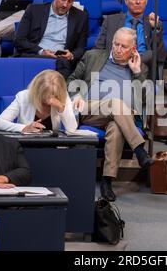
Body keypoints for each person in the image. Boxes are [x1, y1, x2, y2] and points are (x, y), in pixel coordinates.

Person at [67, 27, 154, 202]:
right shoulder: (93, 56)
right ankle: (139, 150)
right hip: (89, 110)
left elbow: (144, 100)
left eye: (123, 46)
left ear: (133, 49)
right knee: (116, 103)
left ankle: (107, 181)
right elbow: (70, 81)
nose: (118, 49)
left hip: (119, 118)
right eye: (116, 44)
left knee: (116, 127)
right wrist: (76, 96)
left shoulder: (140, 68)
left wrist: (137, 73)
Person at [14, 0, 89, 79]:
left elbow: (81, 48)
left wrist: (71, 55)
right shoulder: (34, 10)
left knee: (64, 64)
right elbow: (19, 40)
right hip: (36, 55)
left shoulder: (81, 17)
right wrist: (42, 51)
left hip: (60, 60)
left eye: (70, 1)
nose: (65, 5)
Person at [94, 0, 167, 68]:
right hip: (115, 68)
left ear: (146, 1)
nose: (138, 2)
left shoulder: (153, 24)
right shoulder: (110, 21)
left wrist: (156, 29)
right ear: (126, 1)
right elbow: (98, 51)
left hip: (142, 69)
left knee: (149, 54)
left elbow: (161, 57)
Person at [0, 70, 77, 133]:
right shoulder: (23, 96)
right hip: (26, 146)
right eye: (45, 95)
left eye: (53, 95)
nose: (49, 99)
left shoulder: (62, 96)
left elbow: (72, 128)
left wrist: (61, 107)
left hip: (53, 147)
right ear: (37, 90)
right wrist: (24, 128)